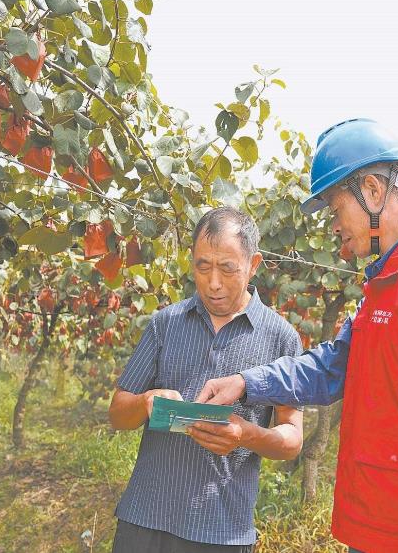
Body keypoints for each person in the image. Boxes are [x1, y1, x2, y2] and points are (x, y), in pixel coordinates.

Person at [197, 118, 398, 553]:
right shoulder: (386, 283)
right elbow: (330, 367)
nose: (335, 227)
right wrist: (246, 382)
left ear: (373, 191)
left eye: (337, 210)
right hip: (377, 528)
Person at [108, 207, 304, 553]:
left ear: (253, 265)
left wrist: (246, 435)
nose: (213, 283)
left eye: (227, 269)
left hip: (221, 532)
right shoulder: (165, 324)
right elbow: (117, 414)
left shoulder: (281, 339)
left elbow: (292, 439)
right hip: (144, 520)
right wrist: (146, 402)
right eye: (202, 267)